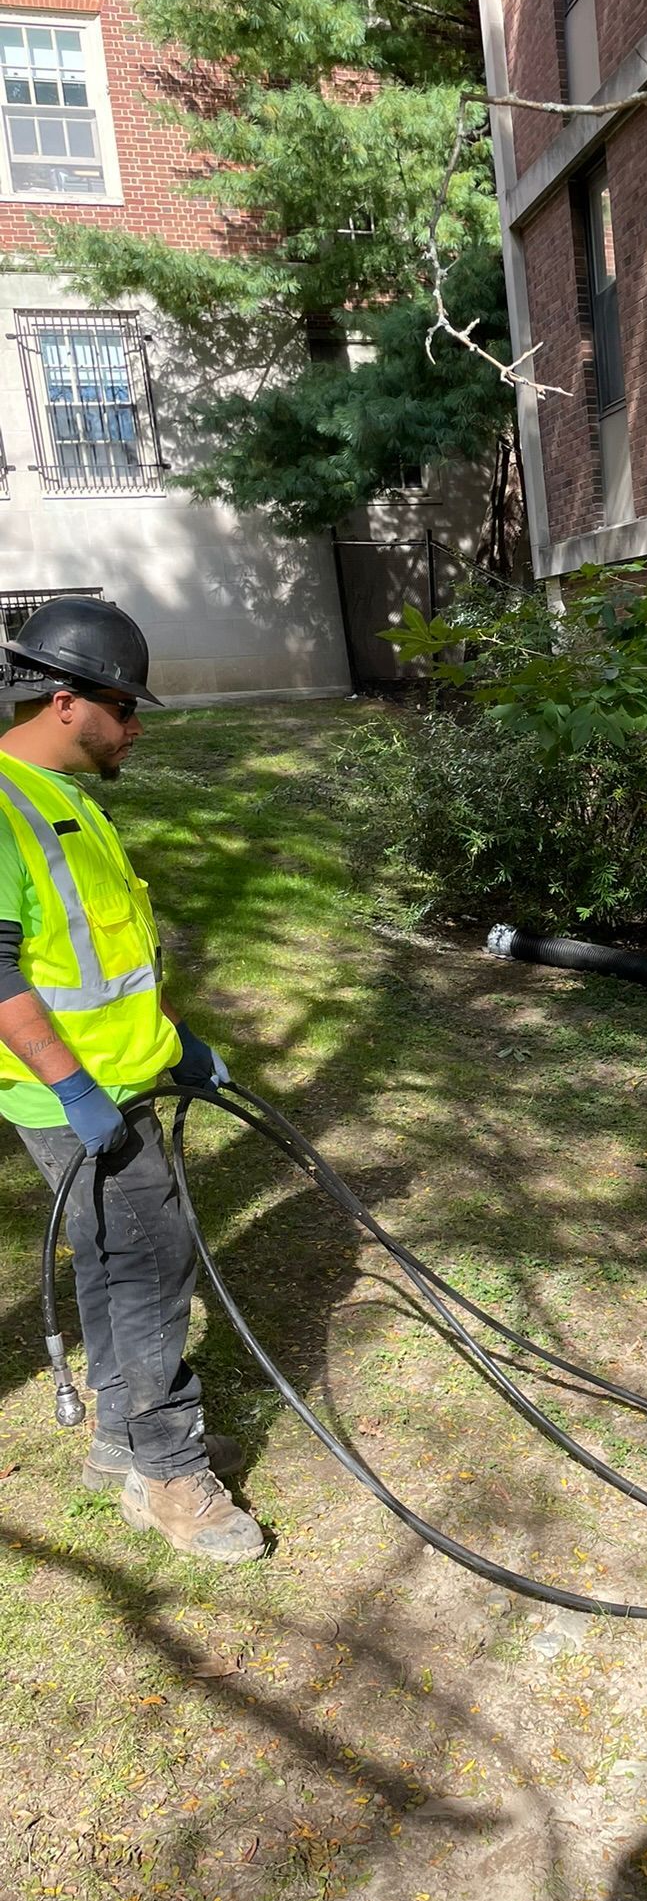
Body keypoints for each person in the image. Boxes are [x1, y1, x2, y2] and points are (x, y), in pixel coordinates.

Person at [0, 597, 261, 1563]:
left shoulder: (68, 801)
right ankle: (168, 1475)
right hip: (78, 1101)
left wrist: (176, 1045)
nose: (135, 726)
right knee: (154, 1266)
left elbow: (99, 967)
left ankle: (122, 1440)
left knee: (116, 1265)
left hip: (120, 1080)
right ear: (66, 701)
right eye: (123, 706)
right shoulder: (3, 808)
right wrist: (75, 1091)